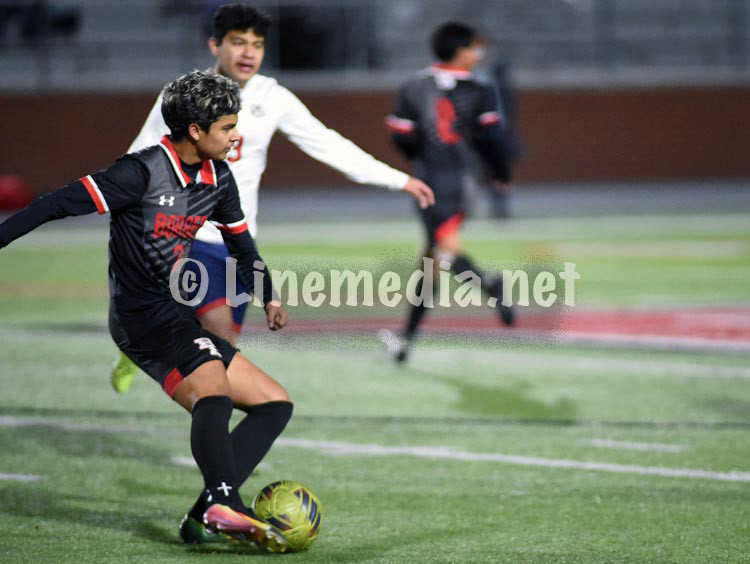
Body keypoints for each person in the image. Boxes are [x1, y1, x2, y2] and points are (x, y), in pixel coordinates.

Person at [0, 70, 293, 552]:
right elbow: (54, 204)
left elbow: (242, 246)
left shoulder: (218, 178)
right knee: (212, 389)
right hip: (140, 316)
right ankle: (224, 502)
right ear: (195, 130)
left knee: (273, 403)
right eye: (227, 127)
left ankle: (203, 517)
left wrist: (269, 294)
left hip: (174, 314)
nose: (236, 136)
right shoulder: (139, 173)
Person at [111, 2, 435, 392]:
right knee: (218, 345)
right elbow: (139, 157)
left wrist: (398, 180)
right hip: (183, 235)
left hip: (235, 242)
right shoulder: (182, 94)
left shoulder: (273, 96)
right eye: (238, 42)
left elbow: (327, 143)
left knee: (220, 347)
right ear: (215, 45)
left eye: (257, 44)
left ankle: (143, 342)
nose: (248, 53)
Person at [378, 21, 515, 363]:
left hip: (429, 179)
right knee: (433, 261)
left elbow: (400, 135)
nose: (479, 53)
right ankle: (406, 340)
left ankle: (490, 287)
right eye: (474, 47)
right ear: (460, 50)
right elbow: (492, 137)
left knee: (441, 253)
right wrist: (500, 173)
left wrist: (422, 155)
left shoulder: (414, 85)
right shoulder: (479, 90)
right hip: (463, 180)